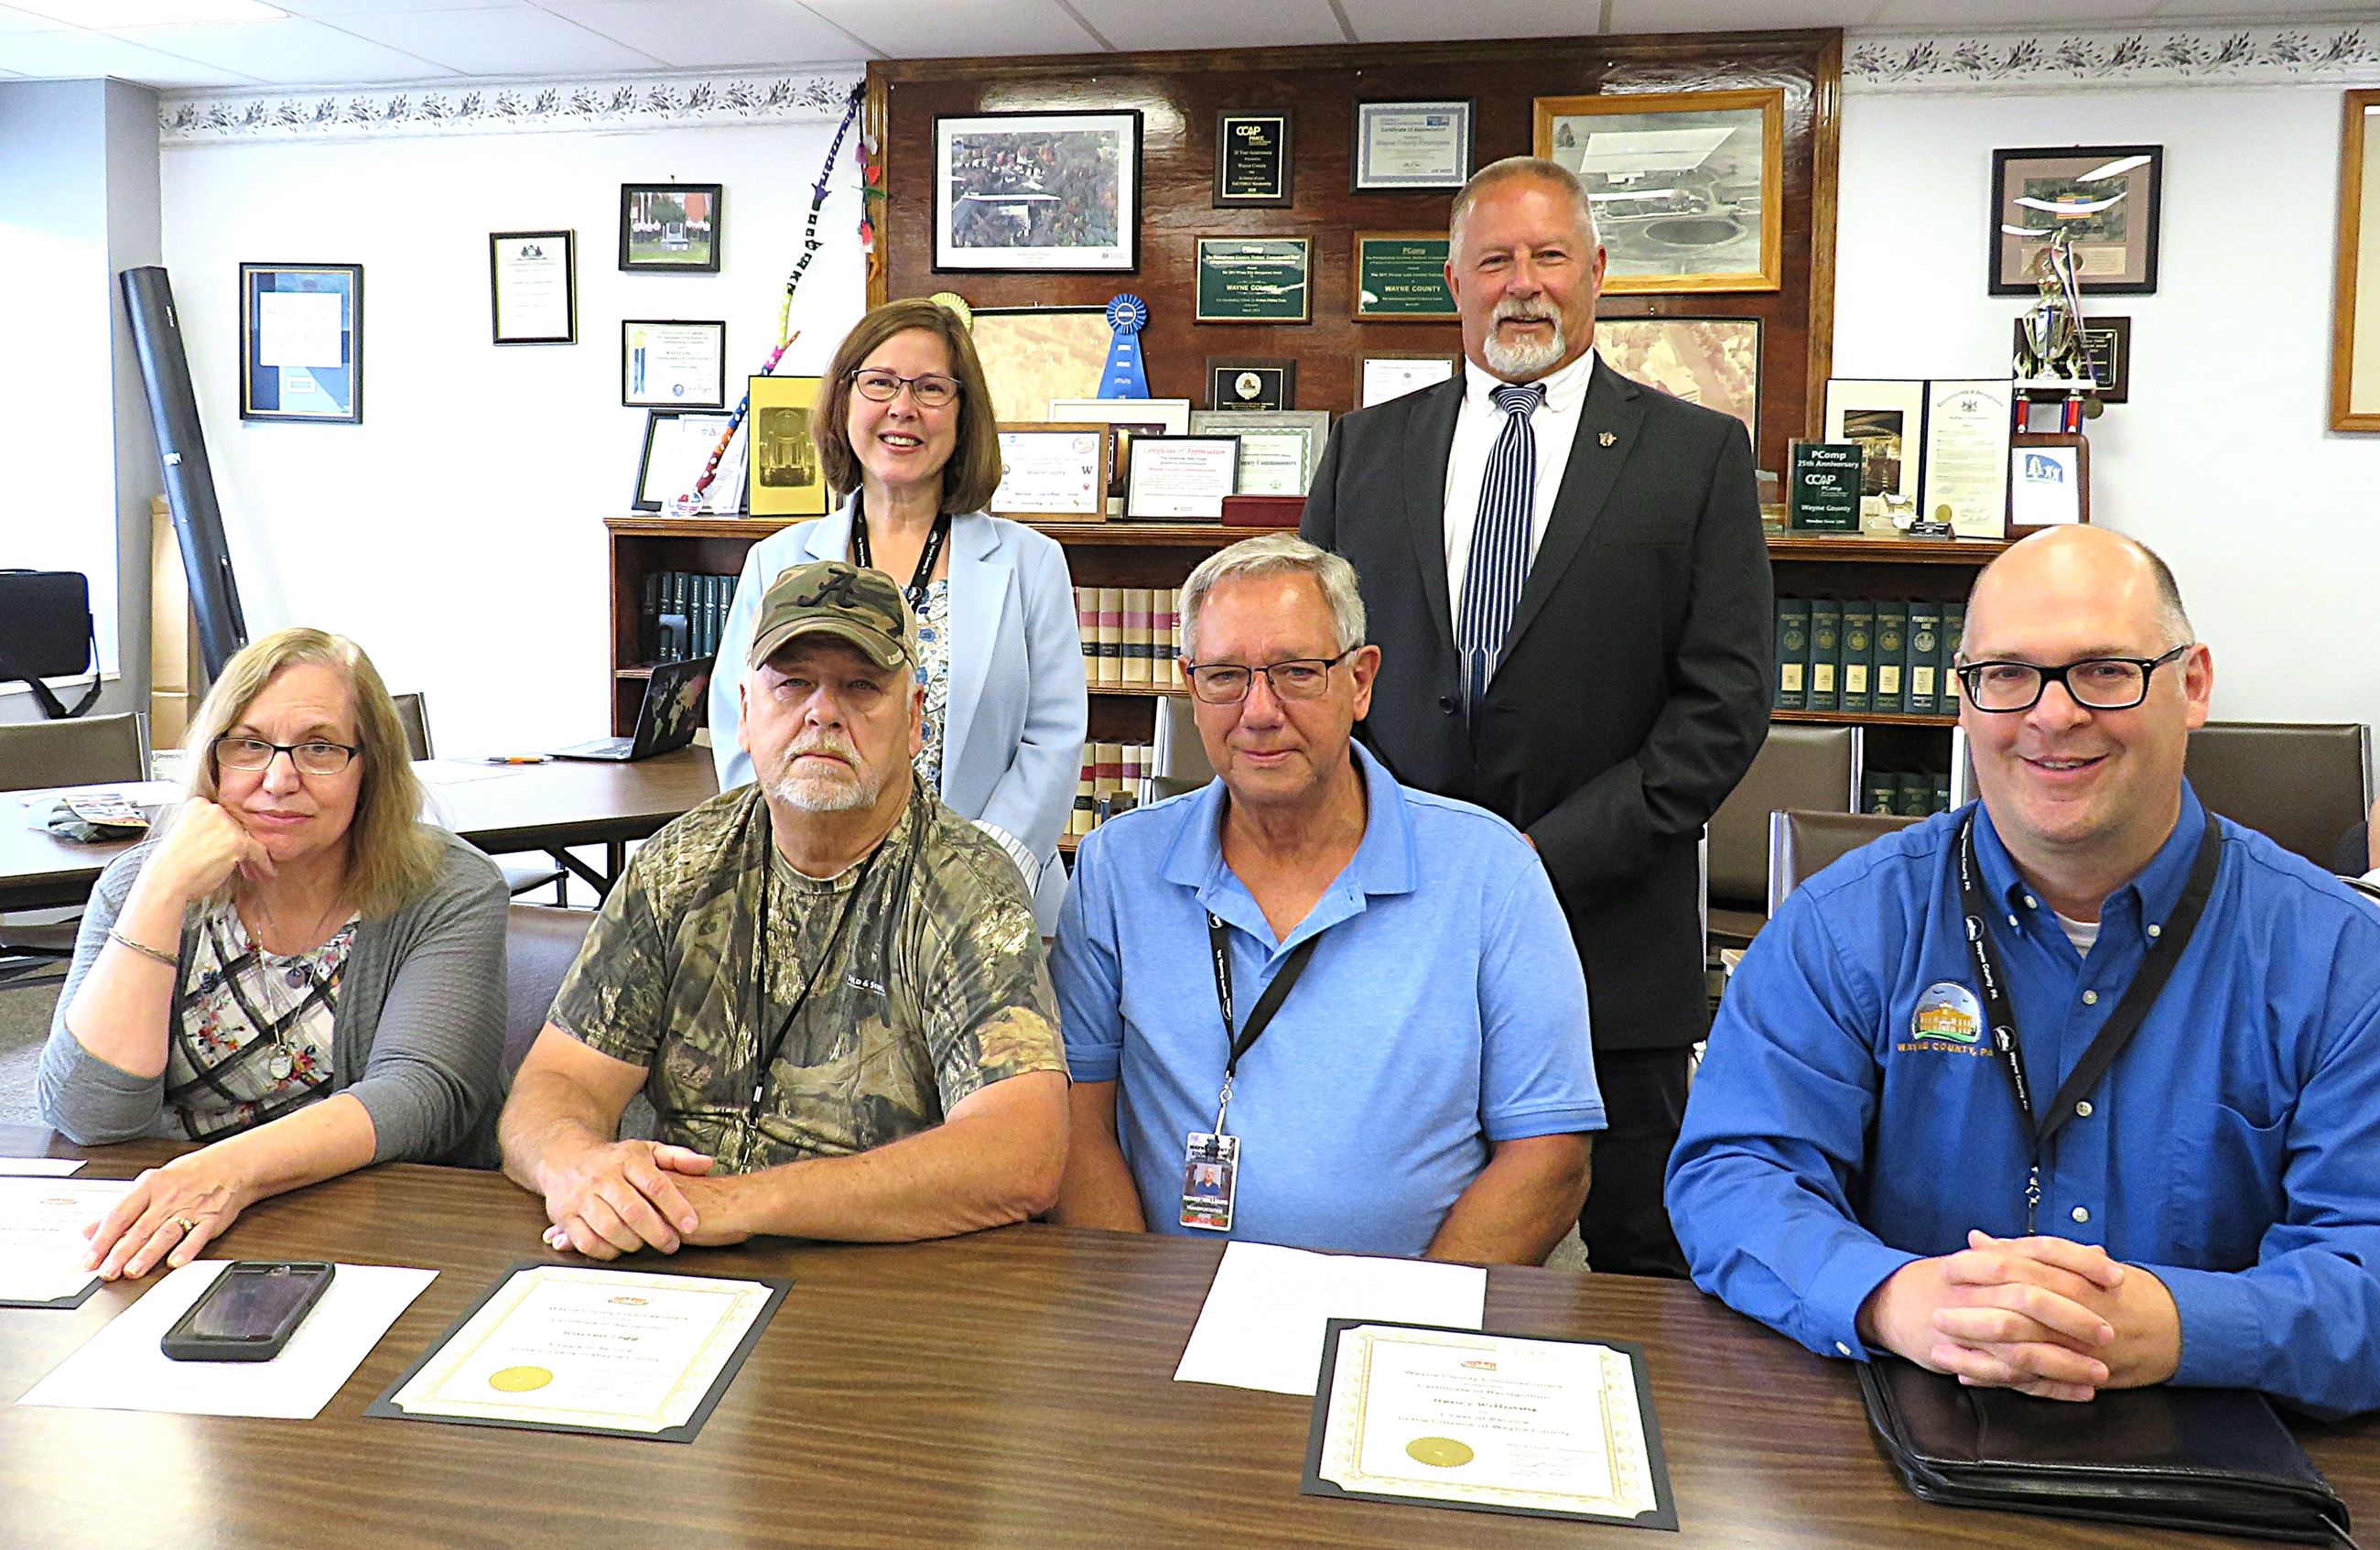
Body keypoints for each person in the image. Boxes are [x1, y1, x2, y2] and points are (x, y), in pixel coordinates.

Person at [1667, 527, 2380, 1419]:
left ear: (2190, 684)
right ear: (1961, 695)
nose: (2050, 714)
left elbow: (2367, 1252)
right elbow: (1734, 1174)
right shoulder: (1837, 926)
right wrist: (1890, 1296)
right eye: (2005, 673)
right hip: (1894, 1437)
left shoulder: (2345, 959)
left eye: (2103, 669)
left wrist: (2181, 1324)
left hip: (2225, 1452)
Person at [1301, 156, 1772, 1276]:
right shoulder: (1365, 451)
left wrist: (1534, 857)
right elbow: (1313, 670)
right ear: (1453, 283)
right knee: (1406, 1246)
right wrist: (1401, 844)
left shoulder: (1695, 455)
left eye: (1548, 255)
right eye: (1494, 260)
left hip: (1606, 934)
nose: (1523, 284)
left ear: (1597, 272)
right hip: (1388, 924)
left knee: (1641, 1264)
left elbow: (1723, 704)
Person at [1051, 536, 1602, 1263]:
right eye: (1224, 675)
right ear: (1189, 686)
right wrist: (1140, 1316)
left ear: (1361, 680)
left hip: (1418, 1321)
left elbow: (1550, 1157)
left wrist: (1399, 1335)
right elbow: (1074, 1129)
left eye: (1295, 673)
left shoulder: (1490, 872)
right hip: (1171, 1318)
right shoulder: (1116, 869)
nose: (1259, 710)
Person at [503, 560, 1068, 1256]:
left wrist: (742, 1201)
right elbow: (556, 1083)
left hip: (887, 1278)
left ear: (916, 721)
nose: (823, 711)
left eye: (861, 687)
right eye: (793, 682)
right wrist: (576, 1168)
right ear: (745, 713)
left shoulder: (969, 885)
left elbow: (1022, 1153)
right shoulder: (679, 864)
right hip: (678, 1259)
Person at [38, 628, 508, 1280]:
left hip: (387, 1232)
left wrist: (228, 1171)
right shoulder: (140, 883)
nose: (278, 778)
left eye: (319, 748)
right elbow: (87, 1112)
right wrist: (161, 891)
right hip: (185, 1231)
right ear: (212, 760)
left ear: (370, 766)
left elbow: (419, 1095)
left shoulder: (450, 888)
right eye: (250, 745)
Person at [712, 297, 1087, 933]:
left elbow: (1053, 739)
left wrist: (976, 878)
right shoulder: (775, 562)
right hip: (814, 904)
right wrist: (805, 865)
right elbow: (740, 725)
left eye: (931, 388)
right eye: (879, 382)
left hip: (988, 909)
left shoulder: (1031, 563)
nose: (902, 408)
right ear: (844, 401)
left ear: (964, 414)